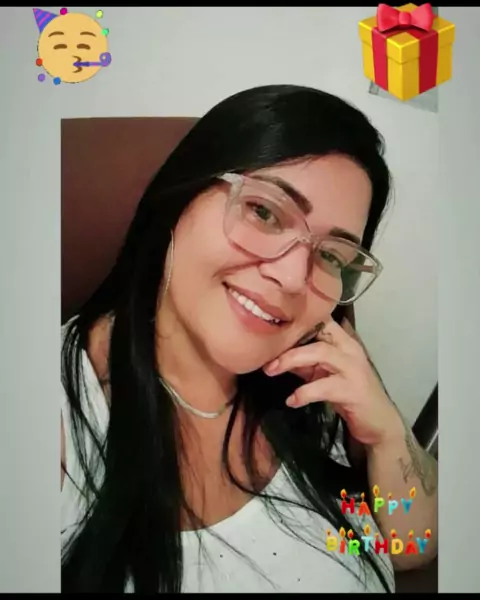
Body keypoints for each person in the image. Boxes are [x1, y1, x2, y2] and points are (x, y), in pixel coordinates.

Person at [60, 84, 438, 593]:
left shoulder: (315, 387)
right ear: (179, 197)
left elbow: (411, 547)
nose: (292, 277)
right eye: (264, 211)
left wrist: (386, 432)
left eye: (331, 255)